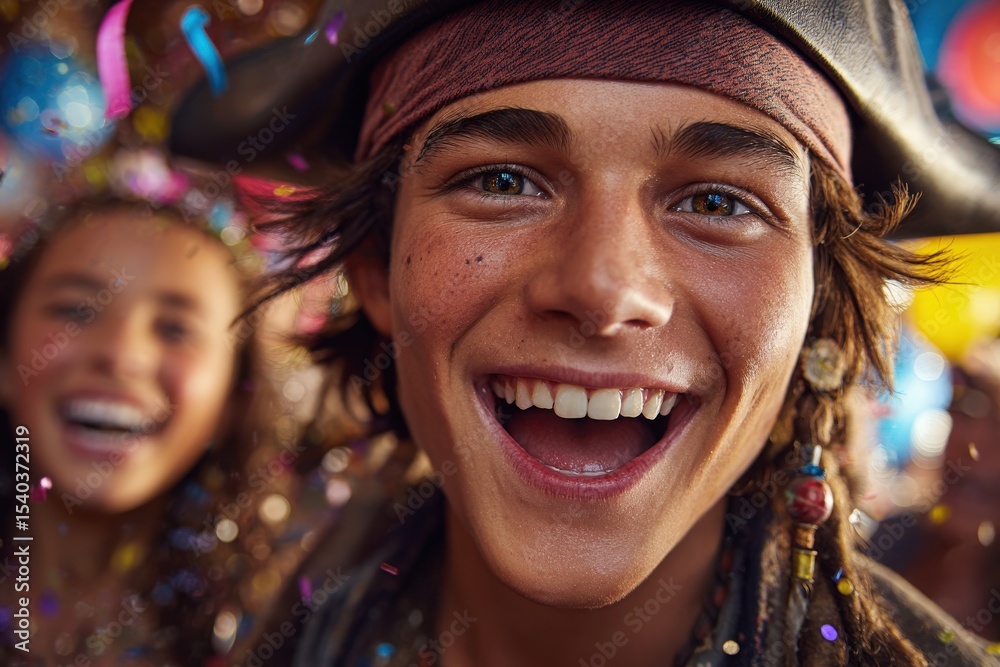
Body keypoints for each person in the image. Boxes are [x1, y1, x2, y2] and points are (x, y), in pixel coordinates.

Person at [168, 0, 1000, 664]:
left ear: (816, 308)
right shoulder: (255, 622)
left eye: (718, 203)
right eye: (501, 180)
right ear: (377, 271)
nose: (603, 289)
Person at [0, 194, 281, 666]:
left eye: (175, 329)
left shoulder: (284, 627)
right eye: (75, 311)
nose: (122, 354)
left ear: (234, 397)